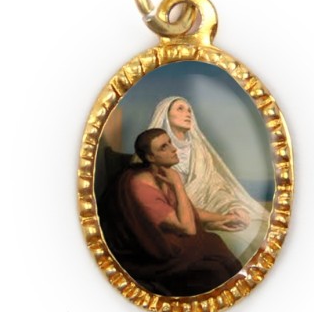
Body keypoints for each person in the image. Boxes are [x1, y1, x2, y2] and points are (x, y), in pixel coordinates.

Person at [99, 128, 243, 297]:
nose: (173, 149)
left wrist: (224, 218)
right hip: (153, 259)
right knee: (216, 272)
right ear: (150, 157)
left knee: (216, 247)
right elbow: (188, 228)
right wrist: (178, 185)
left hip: (172, 246)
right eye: (163, 147)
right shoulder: (143, 188)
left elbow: (186, 211)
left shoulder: (162, 174)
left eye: (169, 142)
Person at [147, 96, 270, 263]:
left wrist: (233, 207)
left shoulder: (200, 151)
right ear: (165, 114)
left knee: (255, 232)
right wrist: (219, 219)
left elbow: (216, 187)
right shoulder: (154, 154)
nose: (188, 113)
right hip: (178, 218)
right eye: (180, 109)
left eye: (189, 110)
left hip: (206, 211)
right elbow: (162, 204)